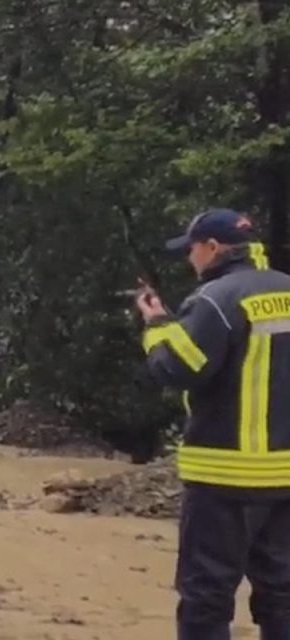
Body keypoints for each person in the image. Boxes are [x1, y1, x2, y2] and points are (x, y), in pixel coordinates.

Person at [136, 208, 290, 640]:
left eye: (191, 250)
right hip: (285, 477)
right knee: (281, 594)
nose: (190, 259)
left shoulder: (215, 300)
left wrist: (156, 325)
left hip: (225, 475)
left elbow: (178, 369)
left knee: (207, 596)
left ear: (213, 247)